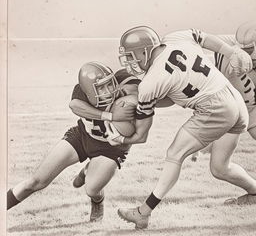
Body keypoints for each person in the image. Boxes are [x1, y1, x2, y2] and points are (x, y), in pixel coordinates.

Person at [104, 25, 256, 229]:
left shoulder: (149, 84)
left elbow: (142, 135)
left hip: (215, 108)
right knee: (220, 168)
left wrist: (122, 138)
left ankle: (143, 212)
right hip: (235, 102)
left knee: (174, 154)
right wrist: (231, 51)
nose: (130, 63)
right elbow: (206, 39)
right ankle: (255, 193)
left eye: (132, 56)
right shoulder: (177, 37)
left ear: (144, 51)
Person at [7, 61, 140, 222]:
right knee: (36, 181)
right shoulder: (83, 90)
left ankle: (95, 195)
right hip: (82, 136)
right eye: (101, 88)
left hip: (111, 148)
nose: (108, 91)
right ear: (89, 91)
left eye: (109, 85)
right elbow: (74, 105)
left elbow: (142, 90)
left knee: (92, 189)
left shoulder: (124, 82)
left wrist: (134, 97)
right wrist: (108, 116)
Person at [191, 22, 256, 162]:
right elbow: (201, 39)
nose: (245, 52)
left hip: (247, 101)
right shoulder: (230, 43)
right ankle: (201, 150)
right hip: (227, 96)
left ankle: (201, 150)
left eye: (250, 49)